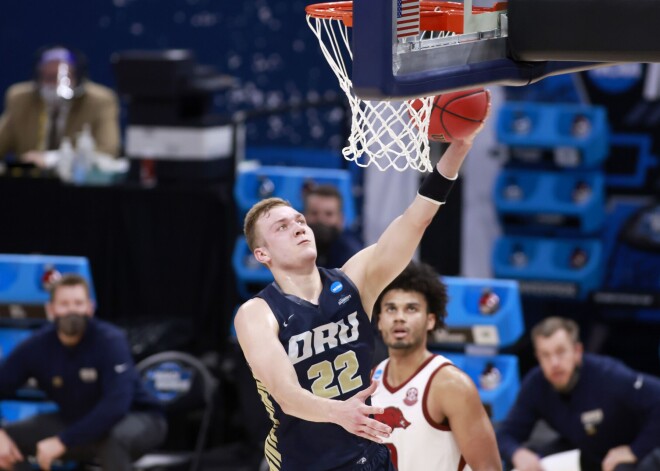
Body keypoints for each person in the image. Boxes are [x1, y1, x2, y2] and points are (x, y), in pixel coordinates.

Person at [234, 92, 490, 470]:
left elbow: (415, 219)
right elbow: (287, 395)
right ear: (262, 254)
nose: (299, 227)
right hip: (301, 461)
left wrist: (460, 147)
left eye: (300, 220)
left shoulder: (354, 279)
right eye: (282, 226)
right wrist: (340, 413)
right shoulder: (257, 313)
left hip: (366, 456)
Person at [0, 274, 167, 471]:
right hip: (76, 420)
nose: (72, 310)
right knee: (6, 442)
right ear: (51, 309)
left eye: (78, 303)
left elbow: (116, 405)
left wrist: (63, 441)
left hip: (137, 418)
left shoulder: (110, 340)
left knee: (112, 438)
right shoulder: (36, 347)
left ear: (90, 307)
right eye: (65, 304)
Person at [370, 261, 501, 471]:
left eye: (411, 308)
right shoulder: (369, 382)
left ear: (430, 320)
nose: (399, 317)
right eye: (391, 308)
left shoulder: (451, 385)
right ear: (379, 320)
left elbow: (490, 468)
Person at [497, 316, 660, 471]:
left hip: (634, 450)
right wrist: (517, 453)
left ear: (577, 351)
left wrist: (635, 450)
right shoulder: (536, 384)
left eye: (560, 352)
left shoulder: (608, 376)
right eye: (545, 355)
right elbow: (506, 434)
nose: (554, 363)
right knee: (529, 459)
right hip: (588, 450)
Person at [0, 45, 120, 167]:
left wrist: (50, 159)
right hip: (28, 182)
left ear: (78, 77)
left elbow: (108, 150)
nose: (55, 84)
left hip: (76, 183)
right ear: (38, 77)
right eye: (49, 77)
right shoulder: (21, 99)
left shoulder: (100, 101)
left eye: (64, 78)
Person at [303, 183, 363, 268]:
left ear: (341, 219)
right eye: (314, 213)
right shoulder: (293, 250)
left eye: (328, 214)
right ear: (303, 217)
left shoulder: (353, 257)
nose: (321, 220)